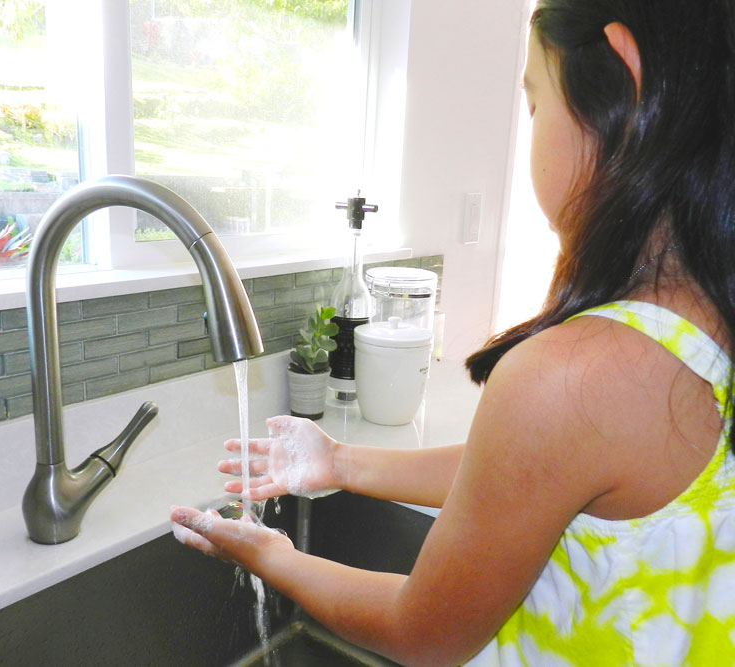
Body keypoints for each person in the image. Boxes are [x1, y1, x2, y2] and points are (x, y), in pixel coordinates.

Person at [170, 0, 735, 664]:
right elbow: (518, 476)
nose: (530, 126)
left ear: (622, 84)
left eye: (533, 101)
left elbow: (424, 631)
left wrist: (272, 555)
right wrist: (342, 462)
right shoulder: (703, 323)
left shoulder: (570, 376)